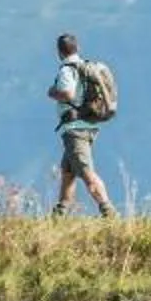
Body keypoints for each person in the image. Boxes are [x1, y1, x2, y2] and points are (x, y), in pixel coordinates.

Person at [49, 32, 114, 217]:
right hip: (89, 124)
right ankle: (60, 213)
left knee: (86, 173)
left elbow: (68, 94)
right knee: (68, 171)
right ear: (77, 48)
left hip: (74, 129)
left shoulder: (66, 70)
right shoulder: (86, 67)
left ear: (59, 52)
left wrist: (52, 92)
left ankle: (109, 211)